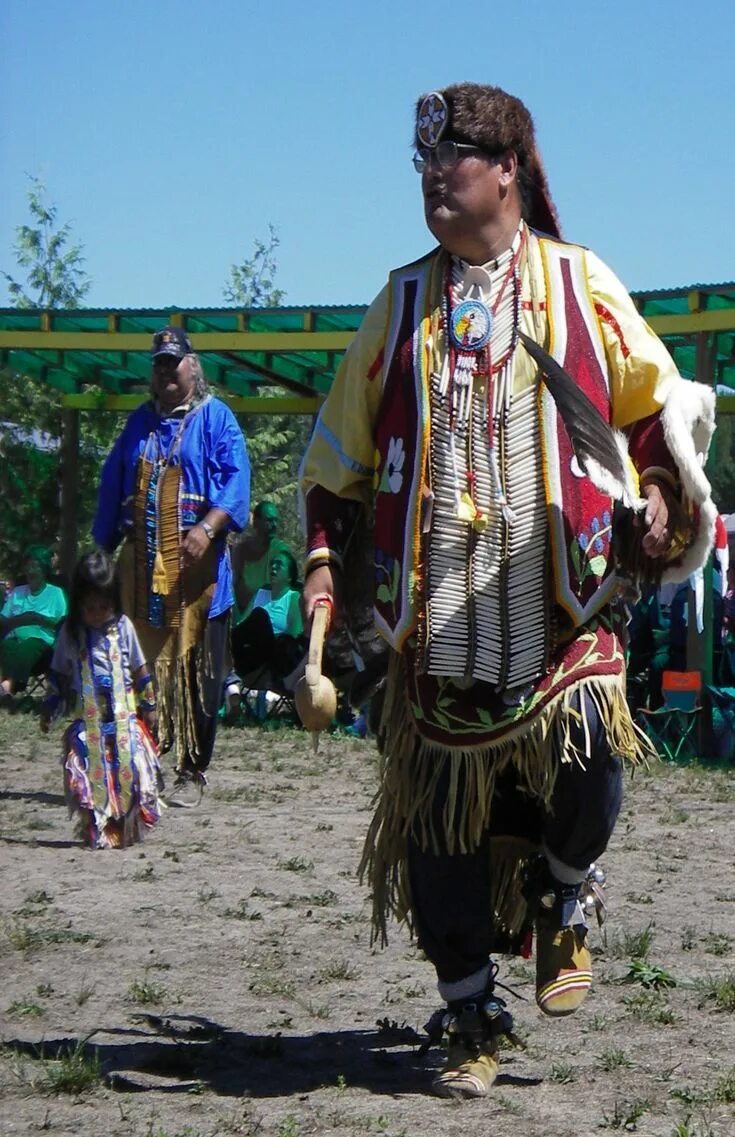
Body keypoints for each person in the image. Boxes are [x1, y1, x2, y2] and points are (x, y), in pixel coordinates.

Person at [300, 83, 717, 1098]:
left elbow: (658, 408)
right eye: (424, 162)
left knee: (586, 758)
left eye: (456, 157)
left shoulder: (579, 285)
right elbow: (334, 459)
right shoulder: (401, 305)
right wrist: (323, 562)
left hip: (561, 605)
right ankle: (467, 1013)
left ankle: (566, 893)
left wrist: (656, 497)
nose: (437, 177)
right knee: (440, 827)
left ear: (509, 170)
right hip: (436, 622)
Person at [92, 326, 250, 788]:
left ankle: (193, 768)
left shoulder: (216, 418)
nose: (165, 371)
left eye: (173, 362)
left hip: (200, 574)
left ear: (192, 366)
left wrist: (207, 527)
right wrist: (100, 553)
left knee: (202, 672)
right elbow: (111, 486)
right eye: (158, 363)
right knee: (144, 666)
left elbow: (237, 480)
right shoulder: (138, 424)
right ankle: (148, 761)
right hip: (143, 575)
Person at [40, 551, 163, 849]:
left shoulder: (123, 628)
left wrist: (150, 706)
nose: (97, 613)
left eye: (104, 606)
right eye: (90, 607)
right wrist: (49, 707)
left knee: (131, 768)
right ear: (78, 604)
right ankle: (95, 826)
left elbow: (139, 669)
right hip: (88, 721)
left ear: (114, 602)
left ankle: (128, 825)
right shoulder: (71, 635)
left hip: (124, 717)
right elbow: (57, 674)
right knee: (87, 769)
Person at [0, 545, 67, 701]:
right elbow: (3, 618)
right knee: (6, 645)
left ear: (44, 569)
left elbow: (62, 622)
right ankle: (9, 686)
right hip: (14, 637)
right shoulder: (17, 592)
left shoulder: (55, 593)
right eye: (28, 566)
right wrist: (18, 620)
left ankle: (9, 685)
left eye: (35, 566)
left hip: (42, 643)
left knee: (28, 645)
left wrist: (37, 618)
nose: (30, 571)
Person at [230, 549, 304, 681]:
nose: (274, 567)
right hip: (251, 654)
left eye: (279, 564)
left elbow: (294, 633)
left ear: (289, 577)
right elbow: (242, 623)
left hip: (276, 656)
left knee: (260, 616)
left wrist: (269, 636)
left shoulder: (293, 597)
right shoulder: (260, 592)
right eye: (272, 564)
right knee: (251, 621)